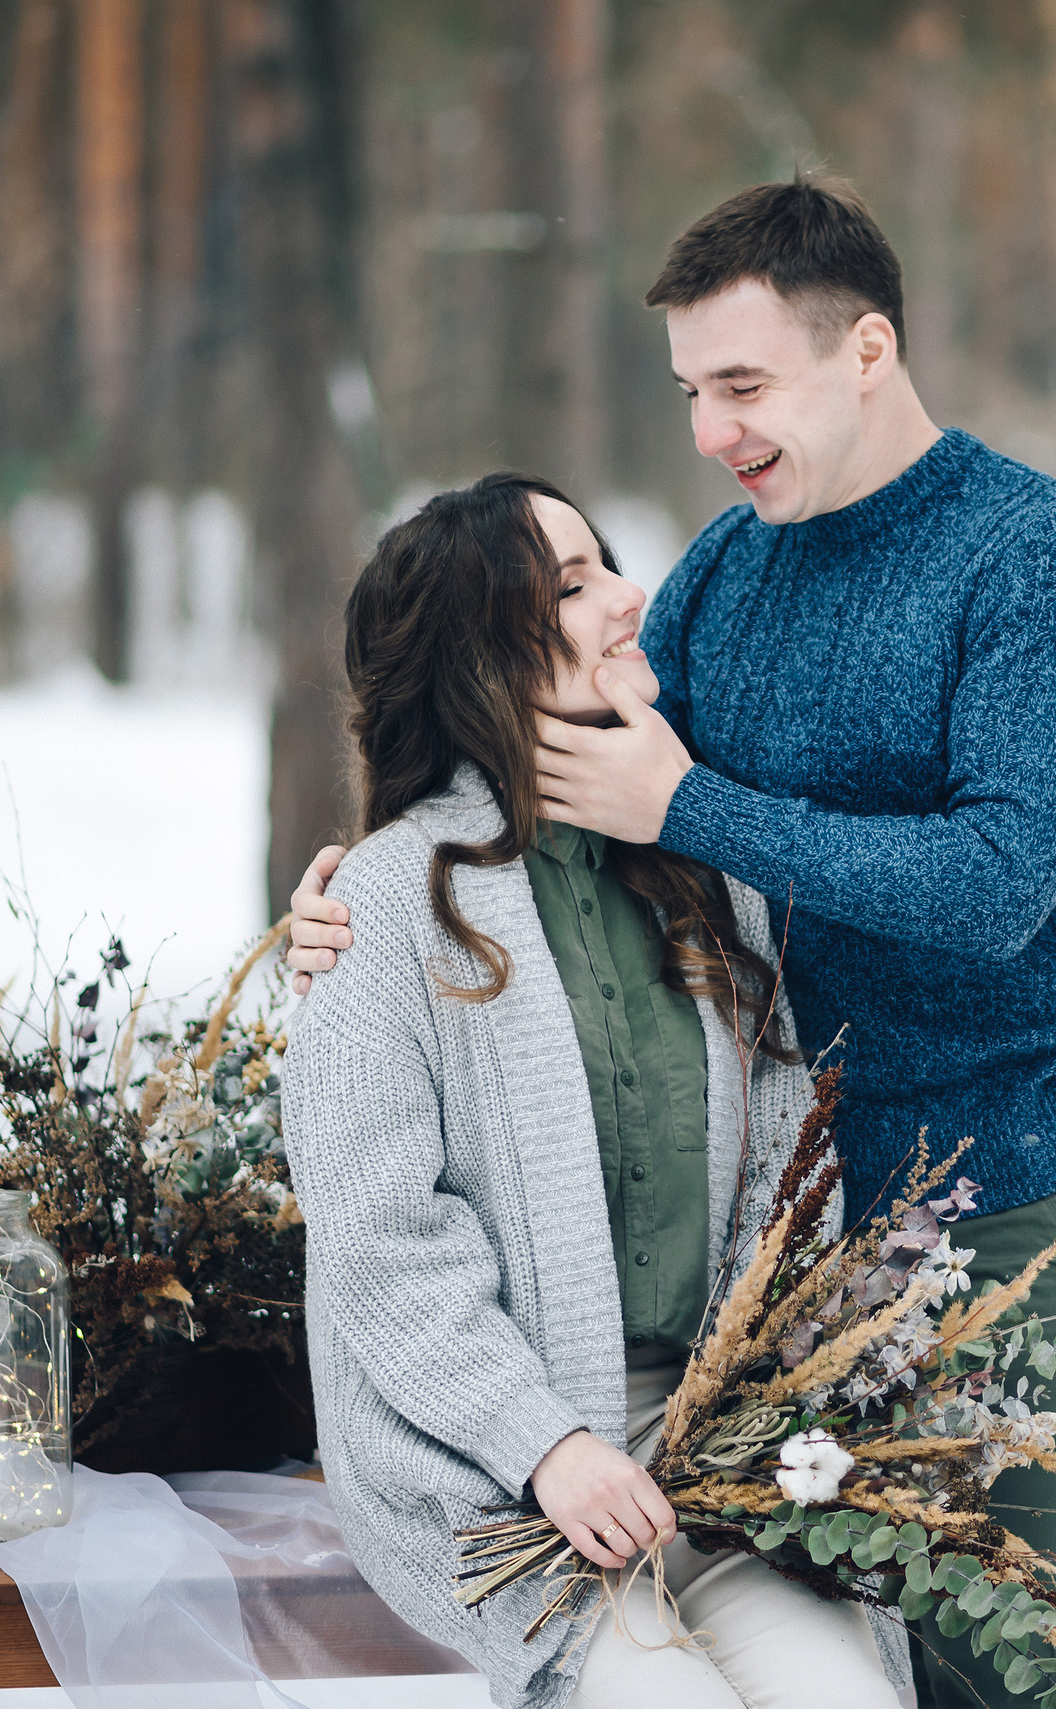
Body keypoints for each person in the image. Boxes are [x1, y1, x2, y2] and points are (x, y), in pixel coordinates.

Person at [288, 175, 1056, 1707]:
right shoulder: (727, 568)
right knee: (842, 1655)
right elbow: (548, 764)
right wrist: (351, 901)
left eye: (743, 386)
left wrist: (699, 805)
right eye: (691, 392)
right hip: (750, 1237)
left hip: (983, 1191)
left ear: (866, 348)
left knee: (989, 1658)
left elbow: (998, 882)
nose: (712, 433)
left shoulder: (1042, 562)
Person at [279, 471, 909, 1709]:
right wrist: (545, 1444)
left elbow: (790, 1160)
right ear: (476, 657)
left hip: (711, 1450)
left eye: (606, 563)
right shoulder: (388, 902)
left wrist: (775, 1411)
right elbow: (378, 1236)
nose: (629, 600)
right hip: (493, 1460)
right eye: (572, 585)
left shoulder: (694, 875)